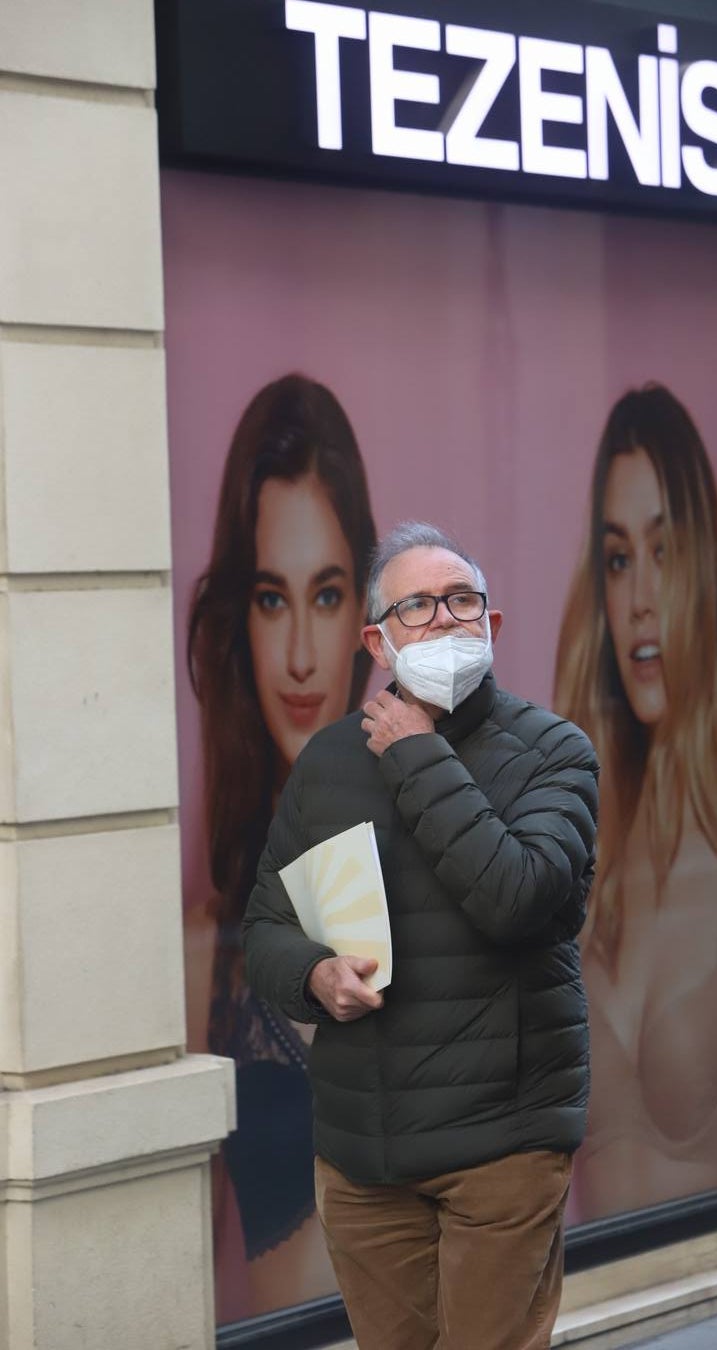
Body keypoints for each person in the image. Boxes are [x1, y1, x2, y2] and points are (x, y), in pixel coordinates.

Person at [242, 521, 599, 1350]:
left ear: (493, 625)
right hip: (363, 1155)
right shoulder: (328, 763)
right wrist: (313, 976)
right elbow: (265, 925)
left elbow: (517, 899)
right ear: (377, 640)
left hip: (502, 1146)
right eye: (417, 606)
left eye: (462, 600)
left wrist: (417, 756)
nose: (443, 618)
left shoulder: (554, 753)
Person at [554, 384, 717, 1222]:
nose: (640, 595)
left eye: (665, 551)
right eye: (618, 558)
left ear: (705, 569)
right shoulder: (587, 860)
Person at [185, 372, 377, 1314]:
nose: (301, 655)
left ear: (365, 617)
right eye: (271, 599)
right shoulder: (204, 945)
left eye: (327, 593)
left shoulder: (428, 848)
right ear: (240, 620)